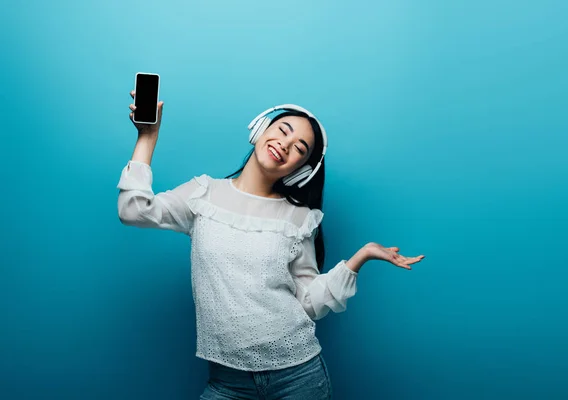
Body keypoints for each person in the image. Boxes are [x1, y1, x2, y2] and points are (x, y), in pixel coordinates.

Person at [117, 91, 425, 400]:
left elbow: (307, 303)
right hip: (227, 383)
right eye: (283, 130)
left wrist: (360, 257)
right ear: (260, 128)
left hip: (299, 378)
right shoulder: (202, 194)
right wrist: (148, 136)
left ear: (301, 170)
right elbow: (133, 210)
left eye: (300, 148)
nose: (285, 144)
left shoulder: (299, 218)